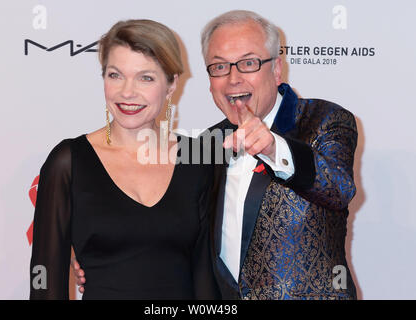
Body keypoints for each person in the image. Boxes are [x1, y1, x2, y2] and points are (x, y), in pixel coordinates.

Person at [73, 10, 358, 300]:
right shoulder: (205, 146)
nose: (233, 79)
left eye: (248, 63)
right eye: (219, 67)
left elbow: (339, 188)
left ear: (276, 69)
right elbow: (170, 231)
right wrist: (92, 251)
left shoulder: (325, 121)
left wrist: (273, 147)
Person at [29, 19, 219, 300]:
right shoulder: (68, 161)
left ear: (171, 85)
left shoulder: (198, 158)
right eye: (115, 75)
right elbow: (44, 278)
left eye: (146, 77)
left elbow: (206, 276)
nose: (127, 92)